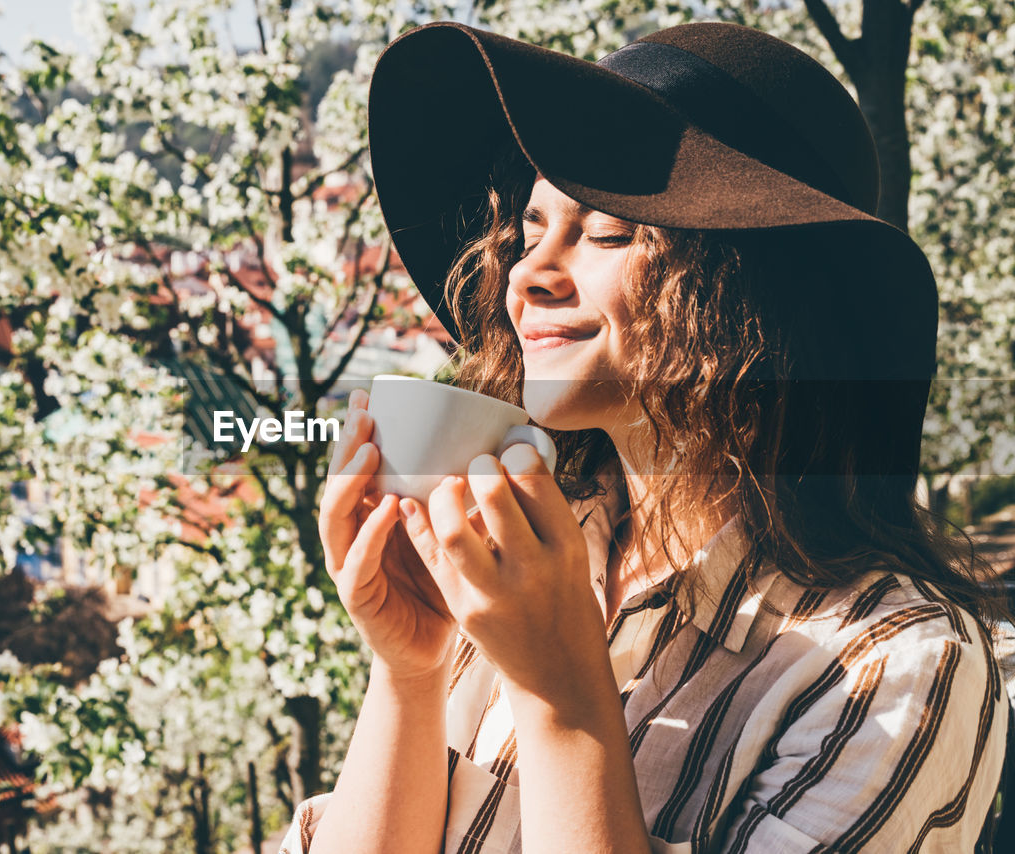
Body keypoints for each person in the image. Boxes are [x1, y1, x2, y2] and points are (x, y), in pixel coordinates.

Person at [282, 20, 1010, 854]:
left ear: (752, 290)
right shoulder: (514, 561)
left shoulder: (894, 668)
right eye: (527, 230)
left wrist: (564, 708)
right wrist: (410, 670)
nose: (527, 274)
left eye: (606, 233)